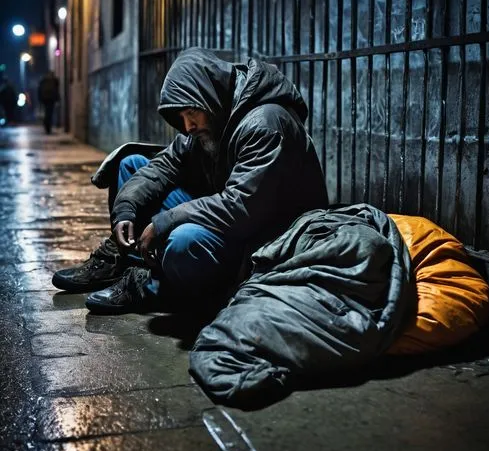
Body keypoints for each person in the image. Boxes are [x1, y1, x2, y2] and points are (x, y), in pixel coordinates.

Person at [52, 47, 329, 314]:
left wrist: (166, 221)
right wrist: (126, 208)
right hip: (232, 218)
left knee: (184, 241)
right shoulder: (214, 112)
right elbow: (164, 164)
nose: (188, 126)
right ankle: (126, 261)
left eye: (191, 114)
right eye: (182, 117)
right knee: (132, 165)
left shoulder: (265, 123)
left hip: (265, 238)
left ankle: (156, 287)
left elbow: (240, 207)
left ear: (207, 95)